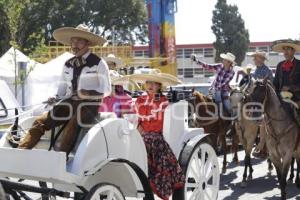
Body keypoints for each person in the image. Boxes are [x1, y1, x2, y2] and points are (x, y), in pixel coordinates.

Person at [17, 24, 111, 153]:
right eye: (73, 41)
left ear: (87, 42)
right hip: (68, 103)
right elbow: (61, 90)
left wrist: (87, 93)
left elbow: (107, 90)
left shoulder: (99, 63)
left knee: (73, 124)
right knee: (40, 121)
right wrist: (55, 98)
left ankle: (61, 158)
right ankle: (20, 152)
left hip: (89, 106)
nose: (74, 45)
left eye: (78, 41)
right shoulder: (68, 64)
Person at [133, 71, 185, 200]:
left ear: (159, 86)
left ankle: (152, 179)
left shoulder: (162, 100)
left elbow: (157, 123)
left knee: (150, 140)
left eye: (153, 83)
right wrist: (139, 128)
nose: (150, 85)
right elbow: (136, 118)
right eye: (148, 82)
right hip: (141, 133)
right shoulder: (140, 100)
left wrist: (144, 131)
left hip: (155, 135)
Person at [245, 51, 273, 159]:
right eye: (254, 58)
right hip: (256, 99)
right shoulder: (255, 71)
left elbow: (271, 86)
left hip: (265, 100)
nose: (254, 60)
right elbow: (251, 85)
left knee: (262, 120)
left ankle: (261, 143)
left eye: (256, 58)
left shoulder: (267, 71)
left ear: (261, 59)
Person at [272, 39, 300, 122]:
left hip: (297, 98)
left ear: (293, 51)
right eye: (284, 49)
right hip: (280, 97)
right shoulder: (280, 65)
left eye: (288, 49)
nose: (285, 52)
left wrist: (290, 87)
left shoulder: (299, 64)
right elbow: (275, 83)